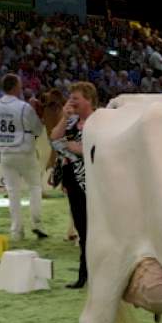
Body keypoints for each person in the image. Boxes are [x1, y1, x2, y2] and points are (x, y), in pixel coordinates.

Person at [0, 73, 47, 241]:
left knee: (13, 192)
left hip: (5, 152)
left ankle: (16, 231)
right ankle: (37, 224)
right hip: (24, 151)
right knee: (35, 187)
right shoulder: (24, 107)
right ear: (15, 87)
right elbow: (37, 129)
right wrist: (33, 110)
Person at [51, 82, 97, 289]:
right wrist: (63, 118)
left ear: (88, 99)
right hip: (73, 179)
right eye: (71, 98)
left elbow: (94, 149)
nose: (71, 102)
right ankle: (84, 274)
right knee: (83, 228)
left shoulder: (100, 121)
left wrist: (71, 148)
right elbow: (54, 139)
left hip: (95, 182)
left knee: (96, 229)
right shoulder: (71, 121)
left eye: (76, 98)